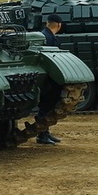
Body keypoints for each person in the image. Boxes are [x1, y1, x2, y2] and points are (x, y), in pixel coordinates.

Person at [35, 15, 65, 144]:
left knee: (48, 106)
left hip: (49, 77)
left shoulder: (45, 35)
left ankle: (45, 132)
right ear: (58, 25)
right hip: (48, 79)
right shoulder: (46, 37)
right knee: (45, 106)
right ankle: (42, 134)